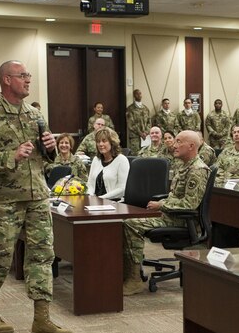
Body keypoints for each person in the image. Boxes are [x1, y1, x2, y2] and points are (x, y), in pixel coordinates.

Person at [0, 59, 72, 333]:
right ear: (6, 80)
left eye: (28, 75)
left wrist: (50, 150)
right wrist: (9, 156)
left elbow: (44, 159)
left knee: (42, 255)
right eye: (22, 75)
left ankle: (42, 320)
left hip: (37, 196)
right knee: (0, 257)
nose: (28, 80)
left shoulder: (35, 115)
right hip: (3, 200)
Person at [121, 130, 210, 295]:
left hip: (182, 220)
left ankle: (134, 279)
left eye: (179, 142)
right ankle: (130, 274)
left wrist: (162, 205)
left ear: (191, 146)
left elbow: (189, 204)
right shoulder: (184, 165)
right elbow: (175, 196)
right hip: (171, 214)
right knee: (125, 220)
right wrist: (164, 203)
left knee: (130, 224)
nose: (174, 145)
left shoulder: (197, 170)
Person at [87, 128, 129, 200]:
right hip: (95, 202)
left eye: (104, 141)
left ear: (112, 143)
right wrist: (91, 196)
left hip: (114, 202)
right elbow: (90, 184)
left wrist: (101, 198)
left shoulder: (122, 160)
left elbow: (122, 189)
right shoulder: (96, 160)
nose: (100, 144)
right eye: (98, 141)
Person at [125, 89, 151, 156]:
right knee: (135, 155)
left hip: (145, 137)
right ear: (134, 95)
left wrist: (146, 132)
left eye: (140, 93)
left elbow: (149, 121)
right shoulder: (130, 108)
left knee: (146, 154)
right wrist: (140, 133)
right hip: (135, 137)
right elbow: (130, 123)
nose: (139, 95)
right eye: (137, 94)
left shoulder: (146, 108)